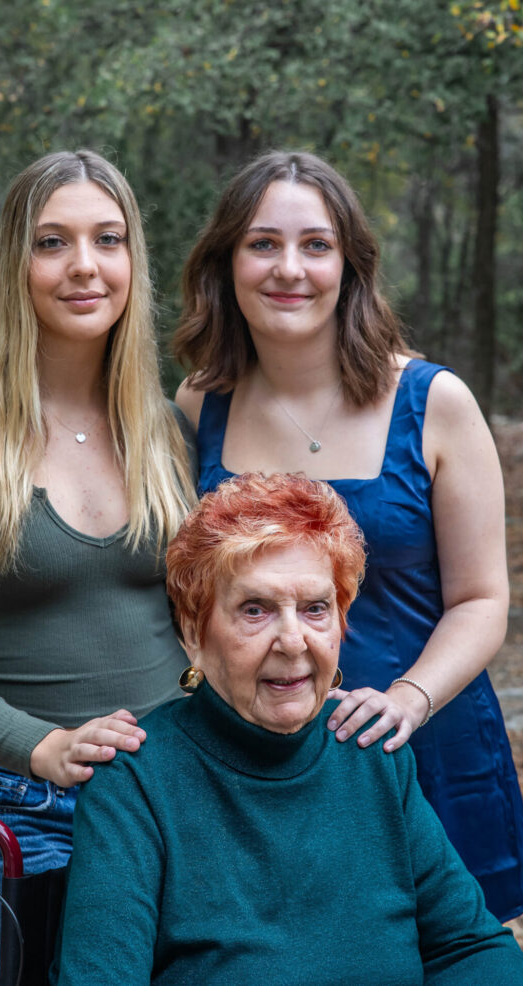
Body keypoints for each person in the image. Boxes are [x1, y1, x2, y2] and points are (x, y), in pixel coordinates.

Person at [172, 150, 523, 922]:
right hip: (260, 767)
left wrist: (407, 700)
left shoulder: (433, 402)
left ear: (350, 266)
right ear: (226, 262)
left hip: (421, 745)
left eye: (315, 245)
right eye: (262, 244)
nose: (288, 268)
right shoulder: (202, 406)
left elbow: (481, 599)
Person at [0, 149, 197, 985]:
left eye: (108, 239)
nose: (84, 266)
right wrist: (43, 747)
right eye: (52, 242)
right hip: (27, 806)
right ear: (13, 262)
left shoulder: (165, 433)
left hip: (173, 788)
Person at [53, 472, 523, 985]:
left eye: (315, 609)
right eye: (255, 610)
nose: (294, 641)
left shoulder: (370, 755)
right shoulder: (134, 784)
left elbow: (473, 947)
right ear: (194, 631)